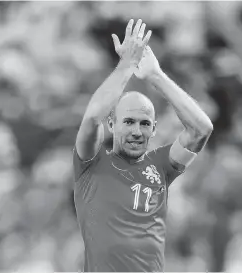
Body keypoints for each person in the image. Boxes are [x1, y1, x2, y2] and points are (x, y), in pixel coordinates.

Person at [73, 18, 213, 272]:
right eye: (128, 122)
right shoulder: (90, 163)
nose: (137, 131)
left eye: (145, 124)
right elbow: (92, 117)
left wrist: (156, 77)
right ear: (112, 124)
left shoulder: (160, 166)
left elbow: (201, 129)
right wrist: (126, 65)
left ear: (154, 129)